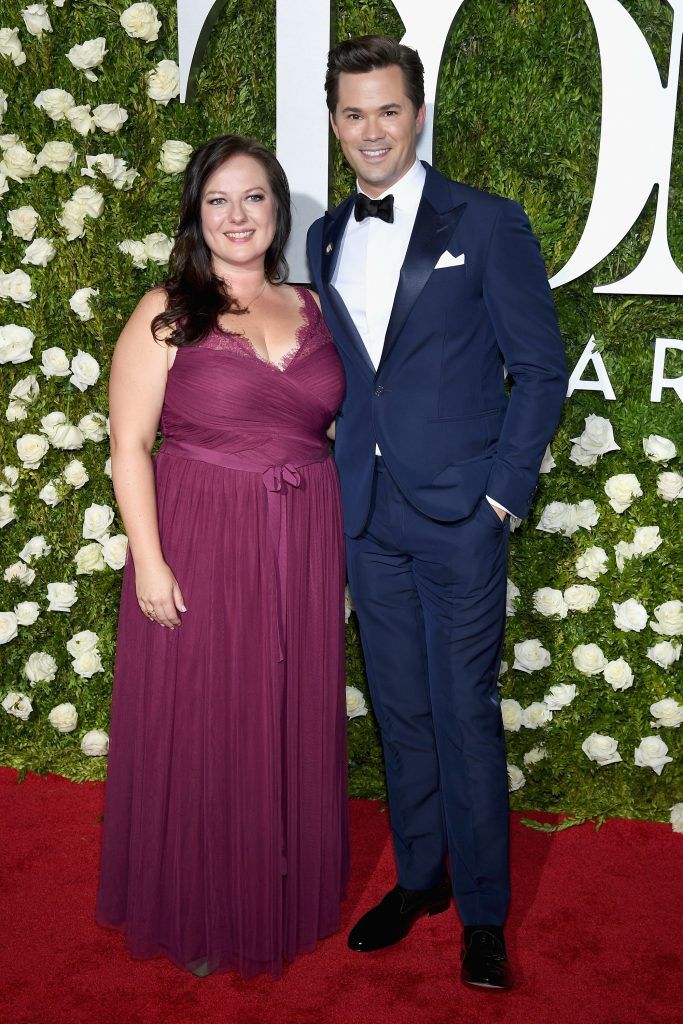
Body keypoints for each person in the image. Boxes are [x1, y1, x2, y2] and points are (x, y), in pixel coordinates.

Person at [307, 36, 568, 990]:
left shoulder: (489, 223)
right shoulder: (324, 236)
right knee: (401, 710)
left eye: (387, 110)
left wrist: (502, 495)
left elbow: (539, 370)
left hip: (462, 514)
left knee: (464, 713)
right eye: (352, 113)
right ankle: (421, 879)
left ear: (418, 115)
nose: (370, 130)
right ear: (334, 123)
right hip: (369, 515)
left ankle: (486, 913)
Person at [96, 135, 349, 979]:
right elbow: (129, 444)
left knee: (284, 710)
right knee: (207, 713)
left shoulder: (315, 306)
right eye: (218, 201)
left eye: (254, 198)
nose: (237, 216)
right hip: (202, 535)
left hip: (303, 536)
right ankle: (200, 901)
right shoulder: (168, 308)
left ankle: (273, 884)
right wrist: (150, 561)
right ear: (196, 215)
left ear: (277, 210)